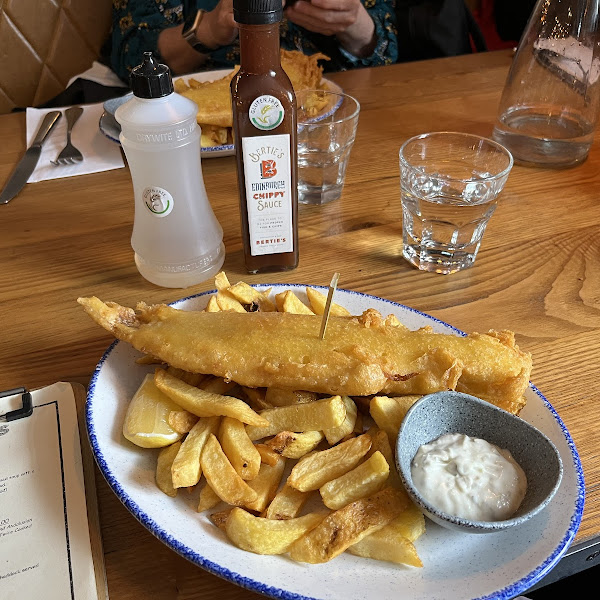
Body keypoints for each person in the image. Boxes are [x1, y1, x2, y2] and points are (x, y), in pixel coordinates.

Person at [110, 0, 398, 83]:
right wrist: (208, 30)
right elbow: (133, 58)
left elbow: (386, 49)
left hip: (328, 116)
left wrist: (353, 21)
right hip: (194, 133)